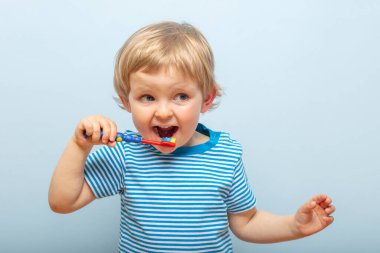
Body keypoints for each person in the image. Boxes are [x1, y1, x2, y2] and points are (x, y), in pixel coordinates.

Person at [48, 21, 335, 252]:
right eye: (147, 97)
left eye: (181, 96)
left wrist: (295, 226)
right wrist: (79, 146)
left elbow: (247, 222)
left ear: (206, 99)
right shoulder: (124, 154)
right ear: (127, 101)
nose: (162, 112)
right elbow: (62, 202)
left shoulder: (227, 154)